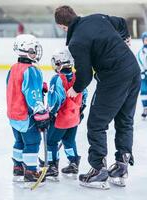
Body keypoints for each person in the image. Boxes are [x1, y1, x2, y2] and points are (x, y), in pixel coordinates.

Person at [54, 5, 141, 189]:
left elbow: (84, 74)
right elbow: (122, 22)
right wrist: (125, 39)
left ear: (62, 26)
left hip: (113, 77)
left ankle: (98, 170)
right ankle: (121, 167)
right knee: (125, 120)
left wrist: (75, 90)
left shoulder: (76, 41)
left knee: (96, 124)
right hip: (133, 70)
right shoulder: (97, 18)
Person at [7, 34, 50, 187]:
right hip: (26, 115)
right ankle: (31, 172)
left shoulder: (13, 68)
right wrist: (41, 113)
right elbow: (33, 95)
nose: (35, 53)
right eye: (33, 50)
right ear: (26, 50)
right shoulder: (32, 70)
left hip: (13, 115)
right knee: (32, 142)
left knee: (19, 141)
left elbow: (17, 88)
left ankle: (18, 168)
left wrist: (40, 86)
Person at [45, 47, 87, 181]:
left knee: (51, 141)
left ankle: (52, 166)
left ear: (59, 63)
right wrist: (80, 111)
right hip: (74, 117)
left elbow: (57, 99)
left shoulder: (56, 79)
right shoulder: (78, 77)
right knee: (69, 140)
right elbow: (84, 94)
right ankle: (73, 162)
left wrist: (50, 114)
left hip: (61, 119)